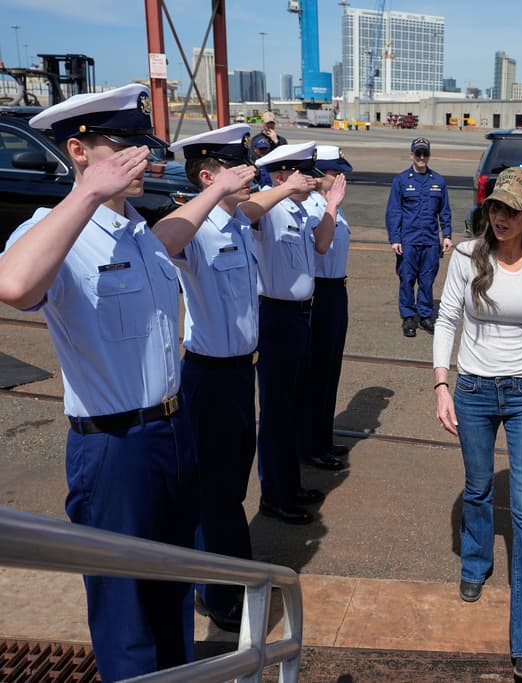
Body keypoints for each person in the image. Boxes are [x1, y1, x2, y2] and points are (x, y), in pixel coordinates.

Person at [0, 84, 252, 680]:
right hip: (113, 448)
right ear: (78, 151)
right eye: (123, 146)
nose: (140, 159)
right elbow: (14, 285)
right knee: (125, 611)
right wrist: (87, 192)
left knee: (171, 590)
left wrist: (215, 188)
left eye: (143, 145)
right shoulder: (54, 231)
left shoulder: (139, 230)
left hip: (173, 430)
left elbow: (172, 237)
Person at [165, 123, 316, 631]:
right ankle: (219, 592)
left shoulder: (235, 220)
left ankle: (231, 574)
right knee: (216, 492)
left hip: (237, 376)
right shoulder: (194, 228)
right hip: (206, 377)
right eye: (236, 167)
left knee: (231, 486)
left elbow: (256, 205)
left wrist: (290, 187)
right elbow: (162, 242)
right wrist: (211, 194)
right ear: (208, 176)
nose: (251, 172)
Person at [432, 167, 522, 682]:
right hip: (472, 391)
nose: (499, 216)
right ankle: (475, 561)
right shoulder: (468, 256)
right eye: (494, 207)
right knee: (478, 485)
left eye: (511, 209)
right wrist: (441, 385)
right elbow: (447, 320)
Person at [252, 142, 346, 525]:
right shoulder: (267, 207)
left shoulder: (296, 210)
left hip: (300, 318)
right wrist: (282, 189)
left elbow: (323, 244)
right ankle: (274, 496)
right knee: (276, 414)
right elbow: (242, 212)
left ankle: (289, 485)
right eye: (303, 172)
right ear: (280, 175)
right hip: (275, 318)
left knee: (290, 409)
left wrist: (330, 205)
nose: (311, 178)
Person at [307, 145, 354, 470]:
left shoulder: (333, 206)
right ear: (318, 174)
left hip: (337, 290)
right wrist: (331, 205)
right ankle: (311, 444)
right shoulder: (312, 207)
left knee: (330, 371)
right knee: (316, 375)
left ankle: (322, 437)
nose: (341, 178)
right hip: (319, 293)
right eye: (335, 172)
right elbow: (320, 249)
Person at [386, 137, 453, 337]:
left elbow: (445, 211)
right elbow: (394, 212)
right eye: (418, 153)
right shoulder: (401, 181)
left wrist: (447, 235)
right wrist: (395, 238)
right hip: (408, 240)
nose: (421, 157)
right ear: (411, 155)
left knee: (427, 279)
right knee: (407, 278)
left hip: (431, 241)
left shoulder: (438, 181)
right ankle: (408, 317)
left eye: (425, 154)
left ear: (429, 156)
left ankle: (425, 315)